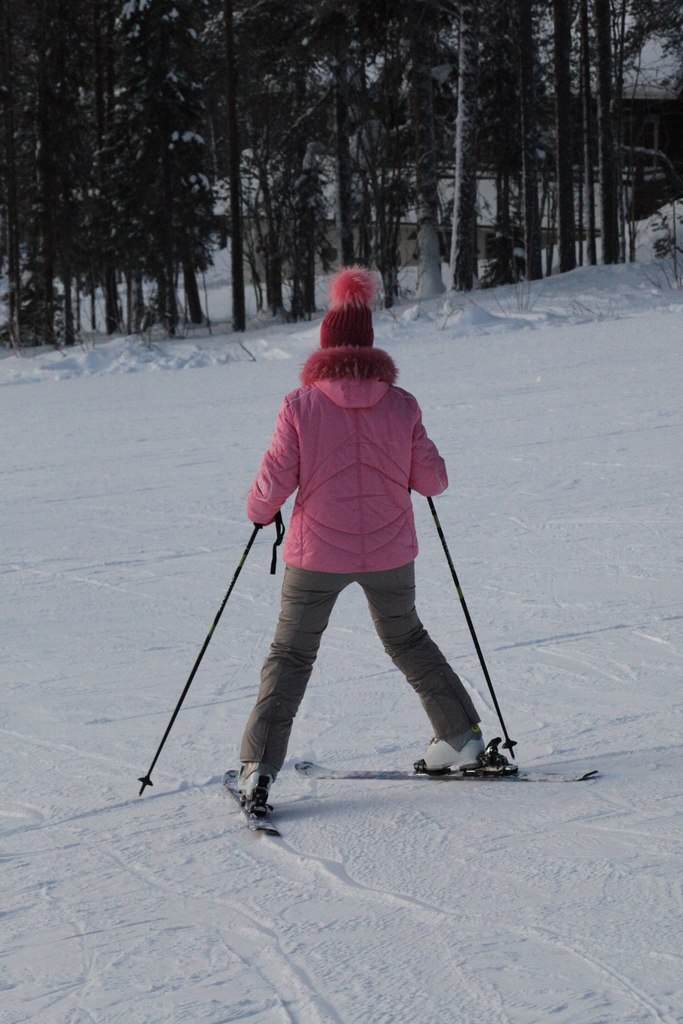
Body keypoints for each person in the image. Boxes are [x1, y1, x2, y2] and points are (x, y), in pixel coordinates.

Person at [237, 266, 485, 811]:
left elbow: (274, 480)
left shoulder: (299, 406)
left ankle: (257, 768)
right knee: (408, 639)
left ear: (324, 346)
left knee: (292, 653)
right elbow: (434, 481)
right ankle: (462, 737)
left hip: (316, 556)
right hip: (390, 553)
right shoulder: (402, 404)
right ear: (371, 349)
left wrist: (258, 512)